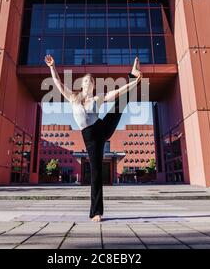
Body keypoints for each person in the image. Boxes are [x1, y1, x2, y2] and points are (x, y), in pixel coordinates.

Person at [44, 54, 142, 222]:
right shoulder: (73, 98)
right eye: (85, 81)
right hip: (90, 138)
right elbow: (58, 84)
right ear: (81, 85)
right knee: (95, 172)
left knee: (119, 106)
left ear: (94, 85)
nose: (88, 83)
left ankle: (132, 73)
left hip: (102, 128)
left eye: (91, 81)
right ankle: (96, 212)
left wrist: (134, 82)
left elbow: (118, 92)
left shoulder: (97, 98)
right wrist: (52, 67)